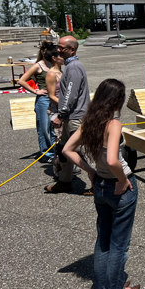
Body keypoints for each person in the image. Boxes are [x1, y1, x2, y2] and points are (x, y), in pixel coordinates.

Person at [62, 79, 140, 289]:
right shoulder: (113, 124)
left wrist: (91, 172)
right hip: (119, 186)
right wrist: (123, 180)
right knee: (119, 243)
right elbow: (113, 160)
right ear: (116, 101)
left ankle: (101, 287)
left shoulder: (89, 122)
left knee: (103, 239)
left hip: (101, 186)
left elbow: (67, 149)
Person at [45, 36, 91, 194]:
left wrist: (61, 114)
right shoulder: (69, 66)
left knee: (84, 152)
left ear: (72, 49)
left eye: (61, 48)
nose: (58, 50)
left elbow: (70, 95)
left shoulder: (73, 68)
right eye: (57, 47)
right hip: (70, 116)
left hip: (75, 117)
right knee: (64, 150)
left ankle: (98, 183)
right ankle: (64, 182)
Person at [18, 41, 56, 162]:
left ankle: (55, 152)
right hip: (44, 99)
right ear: (43, 52)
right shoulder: (38, 66)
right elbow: (21, 81)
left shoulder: (54, 63)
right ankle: (46, 153)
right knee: (44, 128)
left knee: (54, 128)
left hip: (55, 98)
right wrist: (36, 91)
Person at [45, 48, 64, 177]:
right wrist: (65, 106)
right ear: (54, 58)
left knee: (67, 140)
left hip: (65, 110)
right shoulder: (51, 74)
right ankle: (59, 171)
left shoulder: (63, 71)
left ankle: (68, 168)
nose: (63, 57)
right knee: (59, 141)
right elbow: (51, 96)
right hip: (56, 110)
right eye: (61, 55)